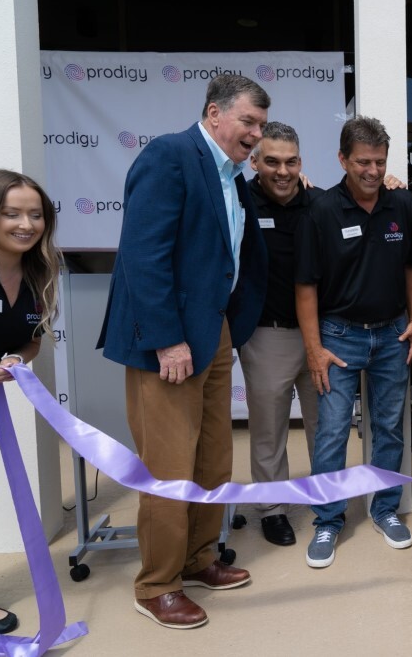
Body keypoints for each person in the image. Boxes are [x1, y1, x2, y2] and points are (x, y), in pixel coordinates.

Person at [98, 74, 270, 629]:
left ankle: (198, 560)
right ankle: (156, 584)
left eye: (261, 126)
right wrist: (168, 338)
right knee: (170, 469)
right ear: (215, 113)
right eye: (248, 122)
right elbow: (142, 255)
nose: (255, 135)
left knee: (213, 459)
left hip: (214, 335)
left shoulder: (234, 177)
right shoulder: (170, 156)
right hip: (167, 340)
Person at [295, 115, 412, 569]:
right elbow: (306, 286)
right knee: (331, 433)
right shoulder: (322, 210)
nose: (372, 171)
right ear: (342, 159)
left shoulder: (403, 204)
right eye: (363, 161)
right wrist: (314, 348)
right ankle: (328, 518)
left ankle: (385, 509)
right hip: (338, 337)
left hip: (391, 335)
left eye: (379, 162)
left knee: (388, 428)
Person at [238, 121, 320, 547]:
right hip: (267, 334)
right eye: (272, 161)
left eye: (290, 162)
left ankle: (329, 503)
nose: (282, 171)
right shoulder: (238, 201)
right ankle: (272, 508)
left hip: (322, 337)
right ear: (255, 162)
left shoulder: (321, 203)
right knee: (269, 430)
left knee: (325, 424)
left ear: (301, 163)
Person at [0, 169, 62, 637]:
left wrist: (19, 356)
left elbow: (33, 339)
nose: (26, 223)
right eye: (12, 213)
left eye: (35, 214)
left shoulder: (39, 271)